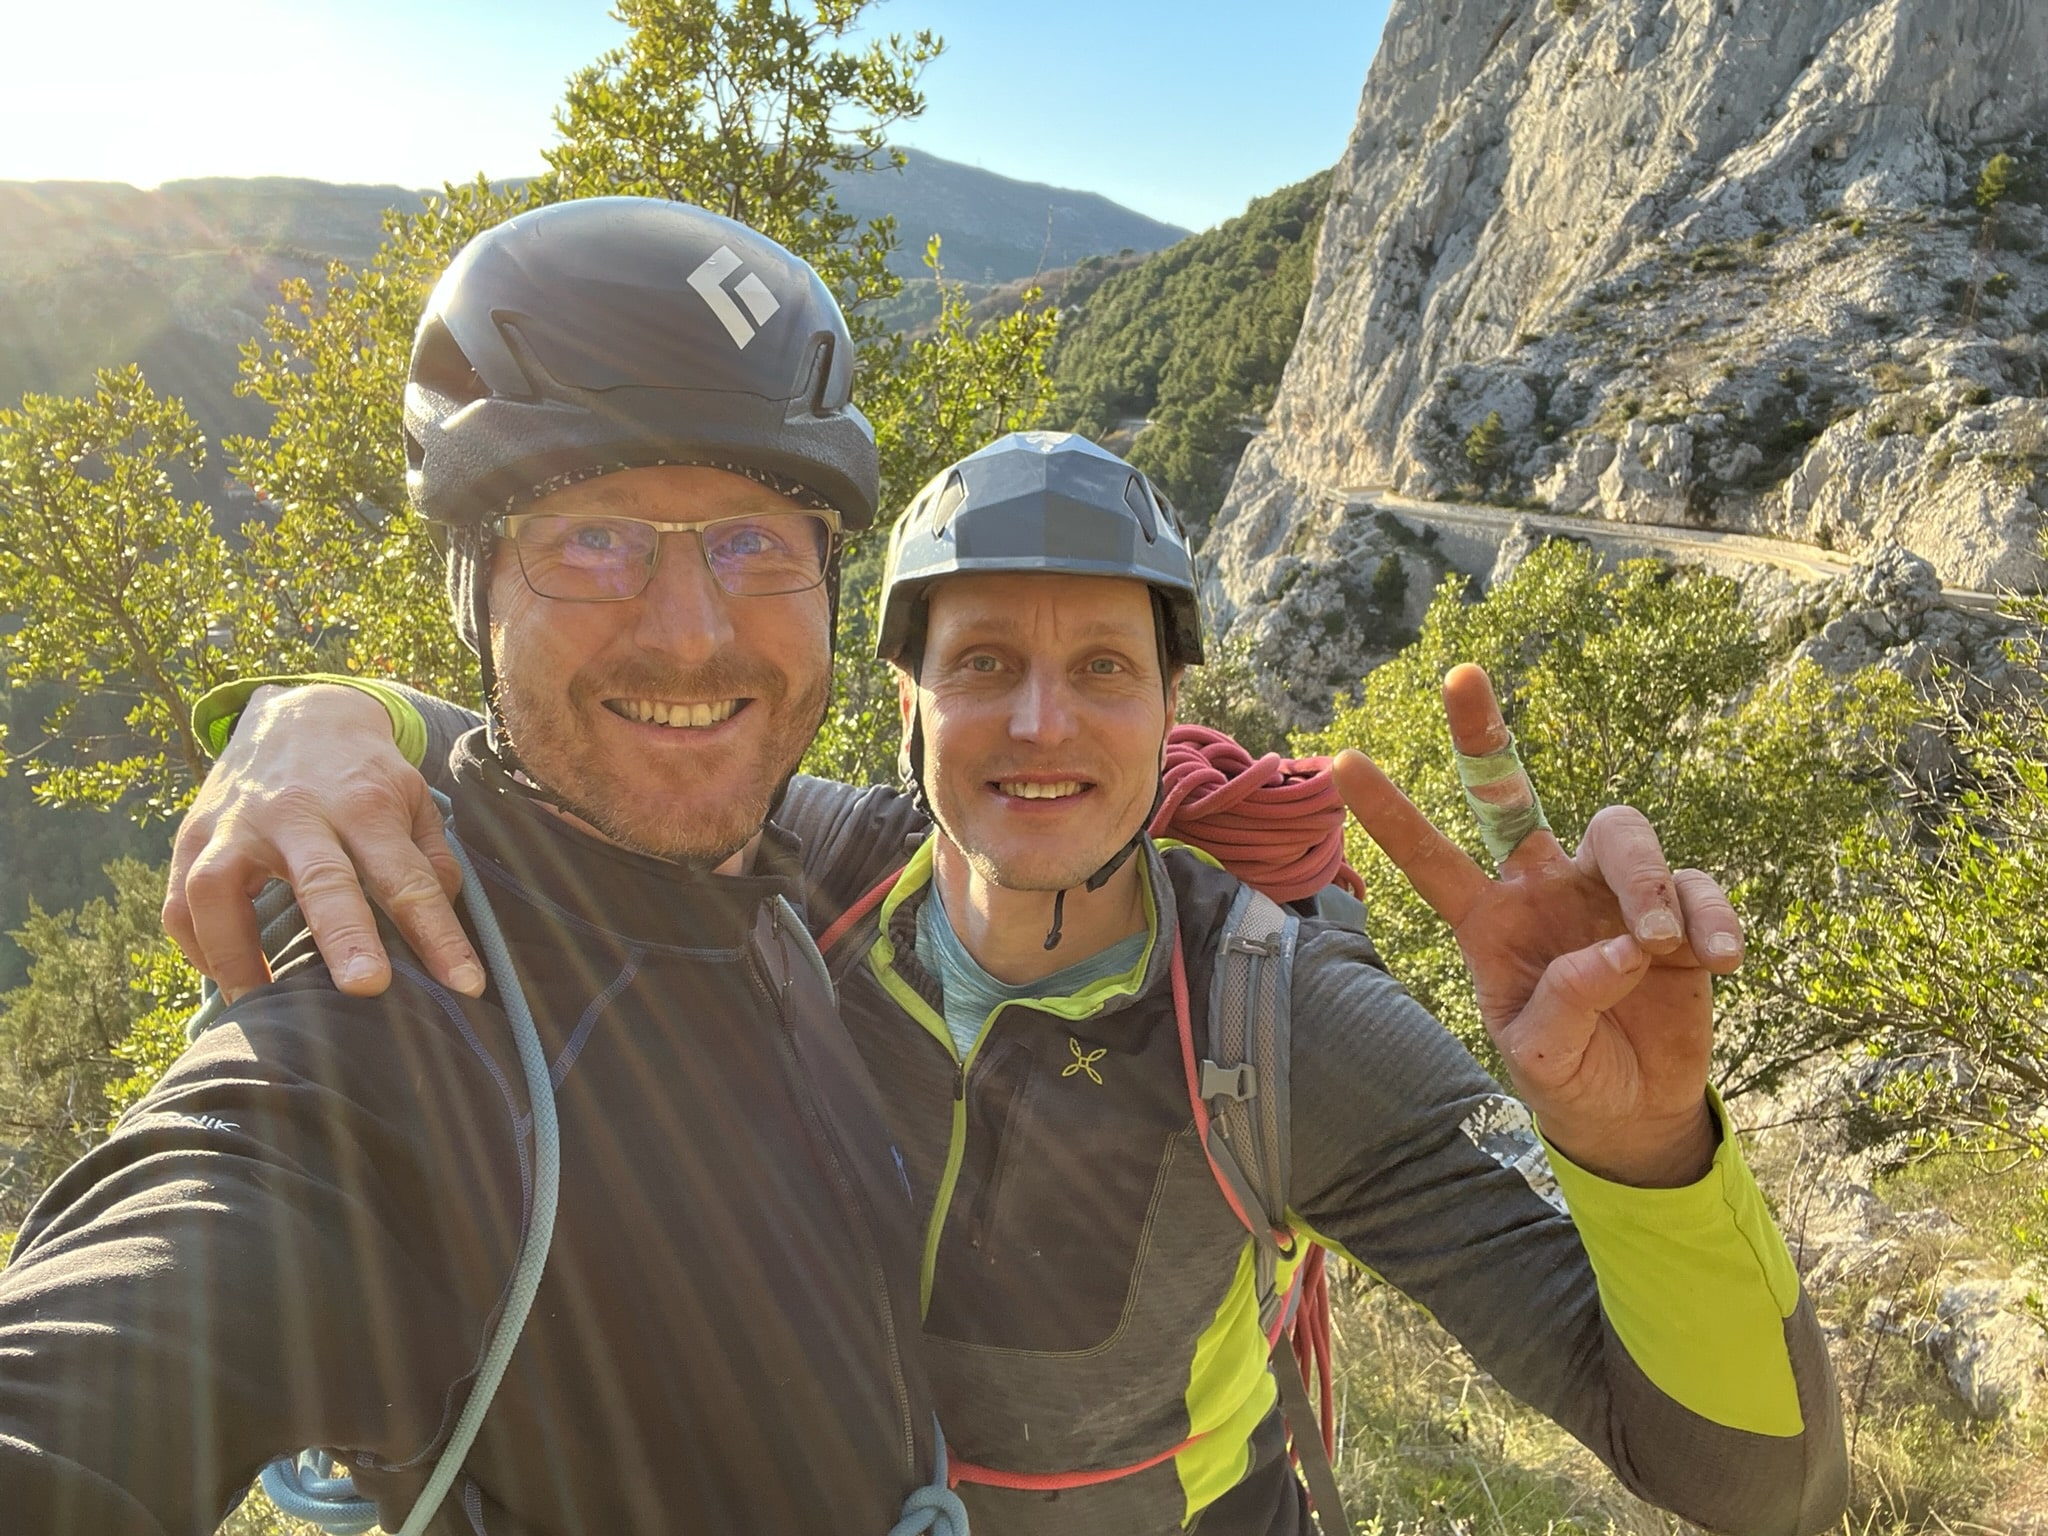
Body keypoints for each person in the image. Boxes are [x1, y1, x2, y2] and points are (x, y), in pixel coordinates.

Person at [164, 441, 1850, 1536]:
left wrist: (1649, 1152)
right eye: (983, 665)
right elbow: (570, 753)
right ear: (903, 703)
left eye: (1103, 666)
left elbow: (1759, 1479)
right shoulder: (807, 872)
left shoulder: (1275, 1023)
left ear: (1171, 703)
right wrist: (324, 718)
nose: (1042, 725)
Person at [0, 198, 960, 1536]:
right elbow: (102, 1361)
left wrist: (341, 705)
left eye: (756, 537)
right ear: (476, 588)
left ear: (830, 579)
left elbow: (1010, 821)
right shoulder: (394, 1023)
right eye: (593, 537)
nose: (693, 635)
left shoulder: (784, 865)